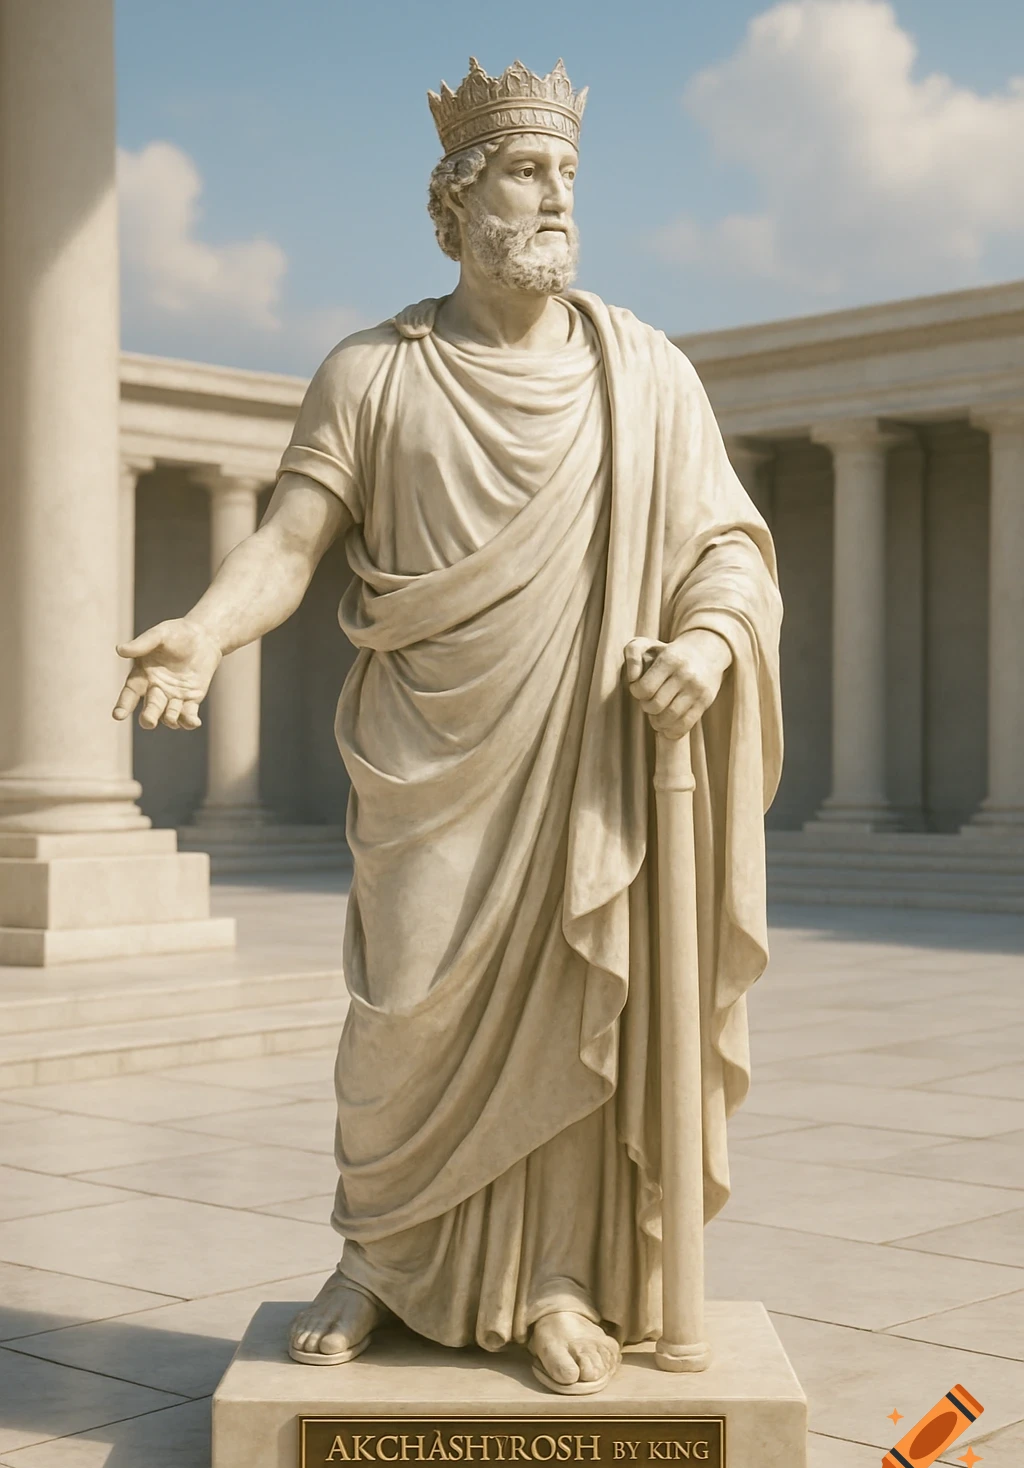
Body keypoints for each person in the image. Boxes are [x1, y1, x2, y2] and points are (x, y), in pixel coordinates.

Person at [114, 58, 783, 1397]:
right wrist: (204, 627)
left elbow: (727, 547)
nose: (557, 198)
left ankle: (557, 1279)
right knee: (403, 1010)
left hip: (584, 762)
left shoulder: (646, 374)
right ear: (455, 207)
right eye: (527, 174)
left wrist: (711, 644)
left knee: (575, 998)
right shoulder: (373, 373)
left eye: (568, 174)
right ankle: (377, 1255)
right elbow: (289, 543)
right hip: (430, 761)